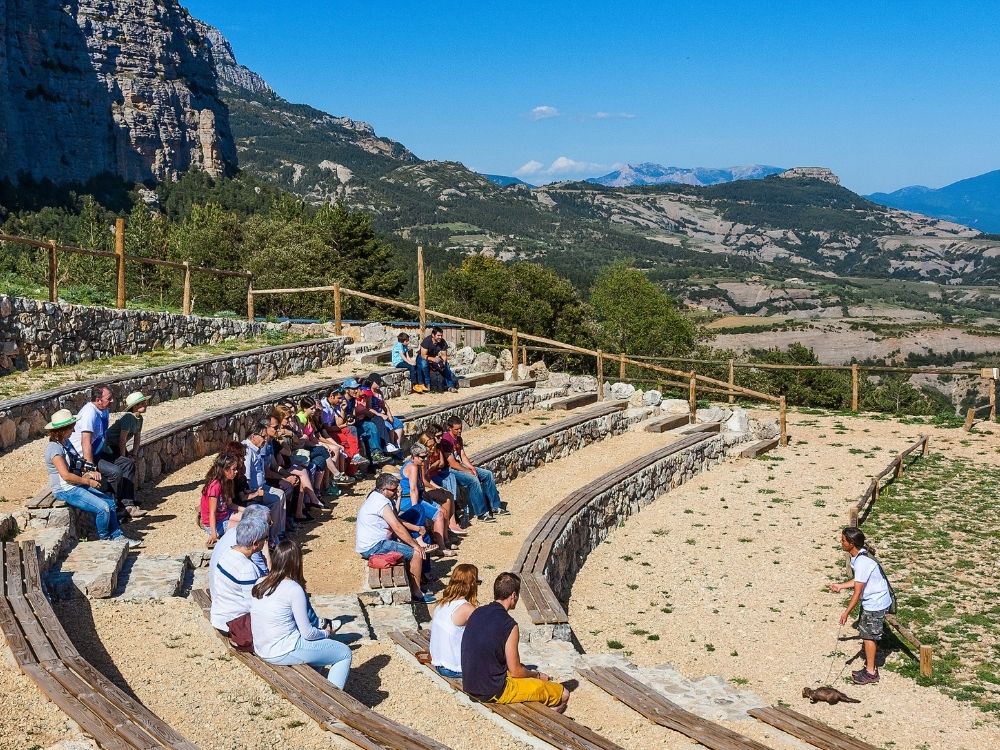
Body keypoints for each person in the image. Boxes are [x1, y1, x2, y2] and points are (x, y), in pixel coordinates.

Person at [250, 540, 353, 688]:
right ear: (296, 562)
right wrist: (326, 632)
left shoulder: (260, 582)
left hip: (262, 647)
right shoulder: (293, 589)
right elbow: (308, 633)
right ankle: (334, 697)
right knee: (344, 653)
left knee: (318, 648)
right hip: (283, 650)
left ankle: (317, 684)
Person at [461, 572, 568, 712]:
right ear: (513, 595)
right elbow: (516, 671)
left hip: (470, 684)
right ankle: (543, 724)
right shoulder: (510, 625)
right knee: (563, 694)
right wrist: (537, 675)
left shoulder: (477, 612)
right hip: (492, 691)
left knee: (527, 677)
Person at [42, 409, 139, 547]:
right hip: (65, 489)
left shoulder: (66, 443)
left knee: (110, 503)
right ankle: (105, 541)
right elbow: (65, 476)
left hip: (74, 483)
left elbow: (77, 462)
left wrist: (90, 471)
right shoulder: (54, 449)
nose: (74, 430)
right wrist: (87, 481)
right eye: (71, 427)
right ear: (62, 430)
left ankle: (117, 537)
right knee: (103, 508)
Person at [355, 473, 435, 603]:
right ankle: (417, 593)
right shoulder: (381, 502)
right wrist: (415, 545)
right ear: (383, 489)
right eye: (393, 490)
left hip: (372, 543)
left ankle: (417, 585)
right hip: (375, 546)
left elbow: (396, 521)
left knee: (412, 543)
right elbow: (397, 526)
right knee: (416, 553)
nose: (395, 492)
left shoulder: (376, 498)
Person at [829, 526, 893, 685]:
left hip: (876, 602)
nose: (841, 542)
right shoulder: (857, 556)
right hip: (873, 600)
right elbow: (859, 581)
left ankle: (871, 672)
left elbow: (857, 592)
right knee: (867, 632)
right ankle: (870, 668)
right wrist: (841, 586)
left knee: (868, 636)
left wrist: (846, 612)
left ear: (851, 543)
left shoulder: (862, 562)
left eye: (843, 540)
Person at [70, 385, 144, 518]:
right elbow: (85, 442)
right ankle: (114, 508)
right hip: (85, 457)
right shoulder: (89, 413)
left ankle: (127, 504)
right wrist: (89, 467)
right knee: (115, 472)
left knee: (127, 464)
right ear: (98, 400)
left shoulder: (103, 410)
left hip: (99, 452)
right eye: (109, 398)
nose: (112, 401)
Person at [209, 514, 269, 633]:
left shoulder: (227, 552)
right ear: (256, 543)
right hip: (234, 624)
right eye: (265, 538)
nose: (265, 542)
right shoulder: (247, 569)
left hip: (220, 616)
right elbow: (254, 605)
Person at [442, 416, 507, 523]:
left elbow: (462, 455)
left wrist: (472, 468)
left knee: (487, 474)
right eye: (456, 429)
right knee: (473, 479)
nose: (459, 431)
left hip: (459, 466)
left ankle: (495, 506)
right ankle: (481, 513)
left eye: (460, 428)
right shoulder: (446, 441)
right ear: (449, 428)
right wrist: (468, 471)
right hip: (449, 469)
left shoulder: (459, 439)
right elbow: (452, 463)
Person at [398, 443, 455, 556]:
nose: (424, 459)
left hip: (417, 497)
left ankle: (444, 540)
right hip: (409, 500)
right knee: (438, 515)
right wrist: (416, 509)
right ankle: (441, 548)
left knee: (443, 511)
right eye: (422, 457)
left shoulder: (414, 465)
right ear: (414, 456)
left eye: (426, 456)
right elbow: (413, 489)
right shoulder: (413, 467)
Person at [429, 563, 479, 678]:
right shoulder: (467, 609)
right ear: (472, 584)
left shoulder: (442, 603)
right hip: (453, 667)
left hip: (438, 661)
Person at [243, 419, 288, 544]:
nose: (265, 439)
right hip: (254, 490)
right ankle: (272, 538)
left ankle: (280, 531)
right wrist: (253, 493)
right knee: (275, 500)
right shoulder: (247, 452)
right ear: (253, 436)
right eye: (263, 436)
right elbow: (247, 476)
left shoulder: (256, 448)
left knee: (280, 494)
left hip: (262, 486)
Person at [343, 378, 390, 464]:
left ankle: (376, 453)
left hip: (354, 422)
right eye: (353, 389)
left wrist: (353, 417)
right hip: (345, 426)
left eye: (356, 388)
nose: (356, 390)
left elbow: (353, 414)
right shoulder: (342, 401)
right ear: (346, 390)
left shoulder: (352, 399)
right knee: (363, 431)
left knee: (371, 426)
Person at [200, 453, 240, 546]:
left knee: (250, 518)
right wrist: (214, 535)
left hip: (225, 514)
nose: (236, 471)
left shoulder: (228, 482)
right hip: (216, 523)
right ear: (225, 470)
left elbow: (230, 505)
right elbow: (212, 512)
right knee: (245, 528)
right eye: (234, 469)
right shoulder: (215, 486)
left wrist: (248, 510)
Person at [362, 372, 403, 453]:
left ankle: (397, 445)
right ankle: (390, 445)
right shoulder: (369, 393)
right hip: (375, 416)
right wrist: (380, 415)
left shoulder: (379, 392)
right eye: (377, 382)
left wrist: (390, 416)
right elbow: (369, 408)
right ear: (372, 382)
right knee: (389, 427)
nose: (379, 384)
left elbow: (385, 405)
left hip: (381, 415)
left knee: (398, 423)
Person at [101, 391, 146, 461]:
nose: (145, 405)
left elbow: (137, 437)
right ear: (135, 406)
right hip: (109, 444)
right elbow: (122, 439)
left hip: (117, 445)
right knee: (126, 464)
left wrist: (134, 454)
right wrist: (123, 457)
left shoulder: (140, 419)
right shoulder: (128, 418)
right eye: (142, 404)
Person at [419, 327, 458, 393]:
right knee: (424, 365)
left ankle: (450, 386)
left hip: (435, 357)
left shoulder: (443, 342)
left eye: (441, 335)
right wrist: (433, 359)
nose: (440, 337)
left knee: (446, 366)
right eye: (438, 335)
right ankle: (427, 385)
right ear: (433, 335)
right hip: (423, 357)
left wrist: (442, 362)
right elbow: (423, 355)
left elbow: (444, 356)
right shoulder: (427, 341)